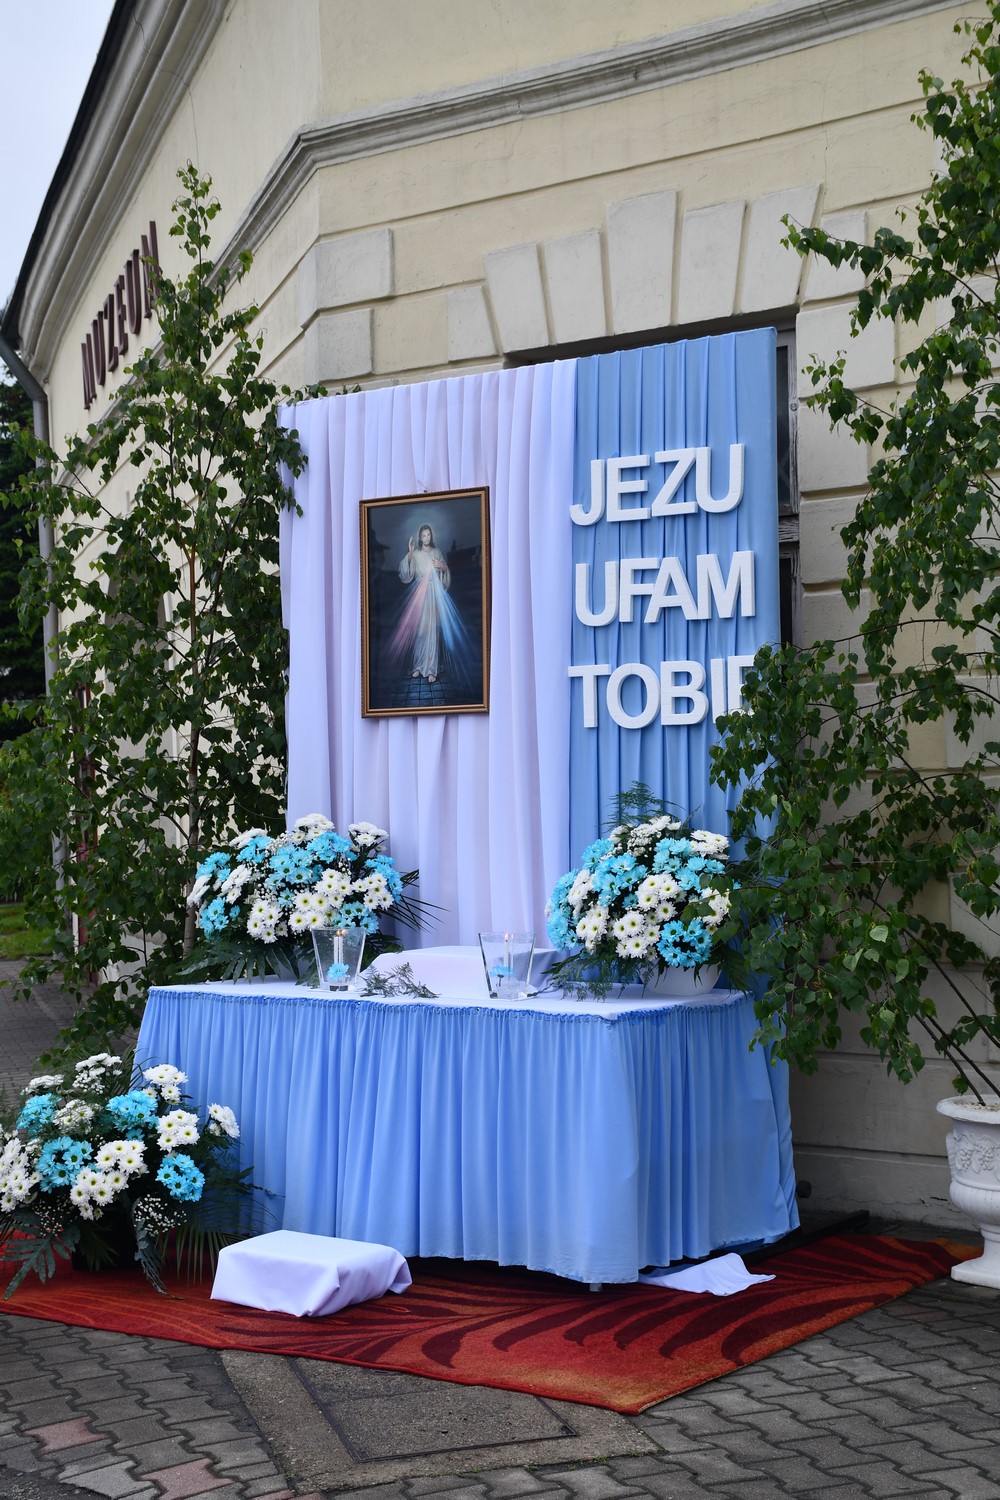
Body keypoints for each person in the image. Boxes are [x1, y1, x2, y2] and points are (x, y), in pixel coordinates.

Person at [395, 523, 451, 683]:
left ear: (431, 536)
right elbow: (406, 574)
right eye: (424, 535)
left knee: (432, 630)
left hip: (433, 594)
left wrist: (443, 566)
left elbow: (445, 572)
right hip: (420, 594)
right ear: (420, 537)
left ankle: (431, 668)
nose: (426, 538)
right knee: (420, 631)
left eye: (428, 535)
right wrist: (410, 553)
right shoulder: (416, 553)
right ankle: (418, 666)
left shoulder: (436, 552)